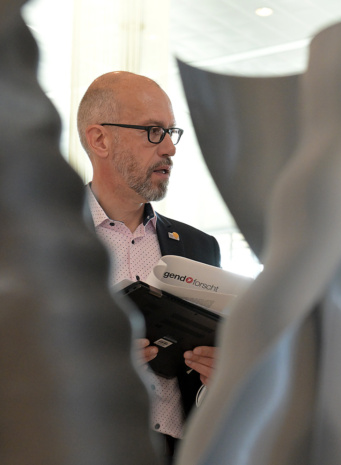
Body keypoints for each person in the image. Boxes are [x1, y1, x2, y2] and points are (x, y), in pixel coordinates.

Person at [77, 71, 220, 460]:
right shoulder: (42, 243)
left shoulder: (198, 246)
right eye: (153, 132)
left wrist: (220, 377)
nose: (170, 149)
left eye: (171, 133)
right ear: (100, 139)